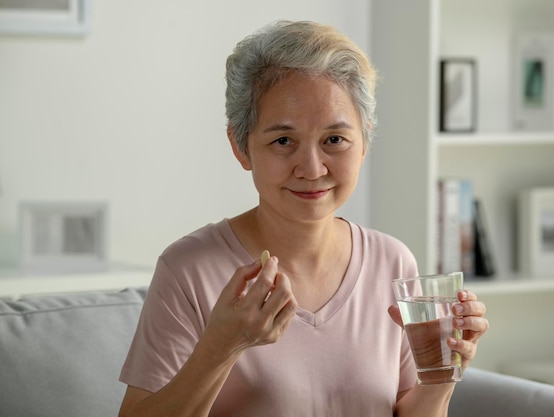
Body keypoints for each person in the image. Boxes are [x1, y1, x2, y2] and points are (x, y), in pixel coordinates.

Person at [117, 20, 489, 417]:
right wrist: (221, 347)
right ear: (241, 147)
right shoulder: (189, 270)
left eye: (334, 140)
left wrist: (441, 380)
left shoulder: (393, 262)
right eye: (283, 141)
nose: (312, 168)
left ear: (364, 141)